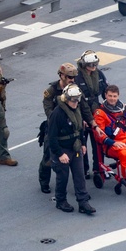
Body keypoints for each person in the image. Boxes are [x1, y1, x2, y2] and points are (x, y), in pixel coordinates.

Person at [38, 62, 92, 193]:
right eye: (69, 77)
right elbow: (49, 111)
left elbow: (83, 106)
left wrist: (89, 121)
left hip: (73, 127)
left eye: (73, 78)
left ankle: (81, 178)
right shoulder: (51, 91)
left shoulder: (75, 90)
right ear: (61, 75)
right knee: (48, 157)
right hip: (55, 127)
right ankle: (44, 181)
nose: (72, 80)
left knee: (79, 153)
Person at [46, 84, 95, 214]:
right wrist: (60, 154)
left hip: (75, 147)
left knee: (80, 176)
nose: (76, 102)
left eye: (77, 99)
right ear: (66, 98)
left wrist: (83, 143)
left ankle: (83, 202)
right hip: (62, 149)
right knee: (63, 177)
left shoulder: (76, 109)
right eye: (73, 100)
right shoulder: (57, 114)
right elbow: (51, 137)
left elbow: (79, 128)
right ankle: (61, 201)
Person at [74, 50, 107, 178]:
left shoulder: (99, 74)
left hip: (96, 111)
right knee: (82, 142)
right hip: (81, 111)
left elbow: (105, 91)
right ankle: (84, 169)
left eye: (95, 64)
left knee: (97, 142)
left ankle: (98, 168)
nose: (93, 67)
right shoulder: (77, 77)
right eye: (90, 65)